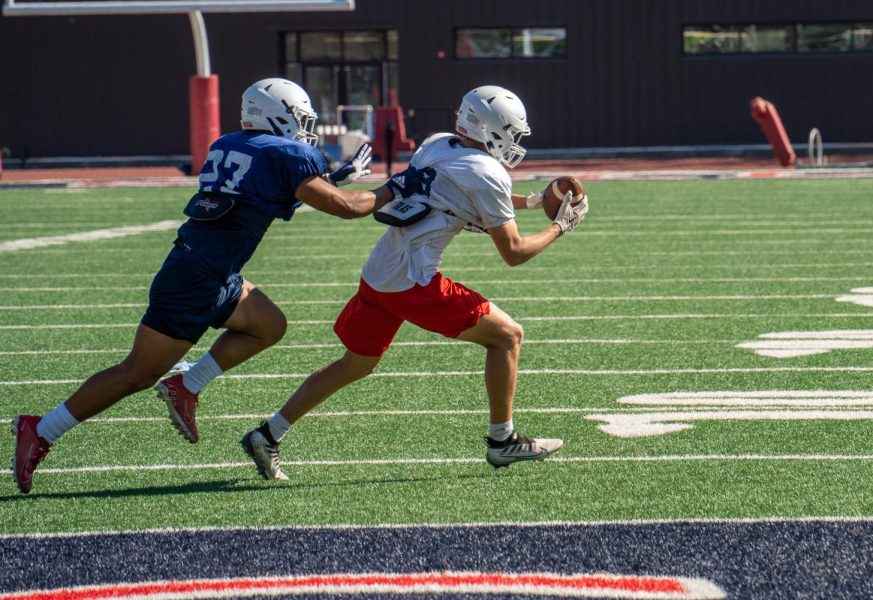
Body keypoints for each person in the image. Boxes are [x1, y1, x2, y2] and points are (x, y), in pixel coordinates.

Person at [11, 77, 425, 494]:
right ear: (277, 115)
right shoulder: (287, 152)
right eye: (299, 118)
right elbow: (347, 210)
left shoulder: (230, 144)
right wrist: (396, 187)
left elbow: (269, 194)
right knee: (135, 373)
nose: (304, 128)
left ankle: (187, 383)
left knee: (269, 325)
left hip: (210, 270)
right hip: (194, 280)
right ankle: (41, 429)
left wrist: (333, 179)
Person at [240, 85, 589, 481]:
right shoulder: (487, 172)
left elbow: (460, 200)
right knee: (507, 336)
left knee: (353, 365)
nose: (514, 141)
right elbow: (514, 251)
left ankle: (268, 433)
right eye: (511, 131)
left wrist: (532, 200)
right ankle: (502, 440)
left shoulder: (437, 145)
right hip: (414, 282)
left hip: (379, 274)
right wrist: (562, 225)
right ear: (492, 129)